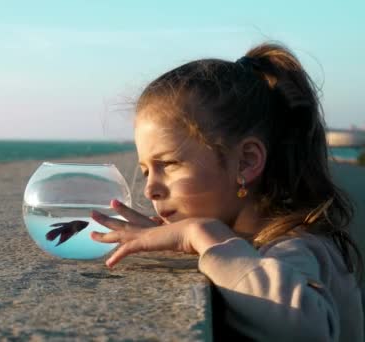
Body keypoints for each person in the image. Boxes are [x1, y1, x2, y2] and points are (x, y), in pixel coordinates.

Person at [90, 42, 364, 341]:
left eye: (168, 164)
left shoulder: (297, 246)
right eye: (145, 170)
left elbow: (307, 330)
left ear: (245, 162)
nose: (150, 189)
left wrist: (202, 234)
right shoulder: (252, 240)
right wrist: (183, 244)